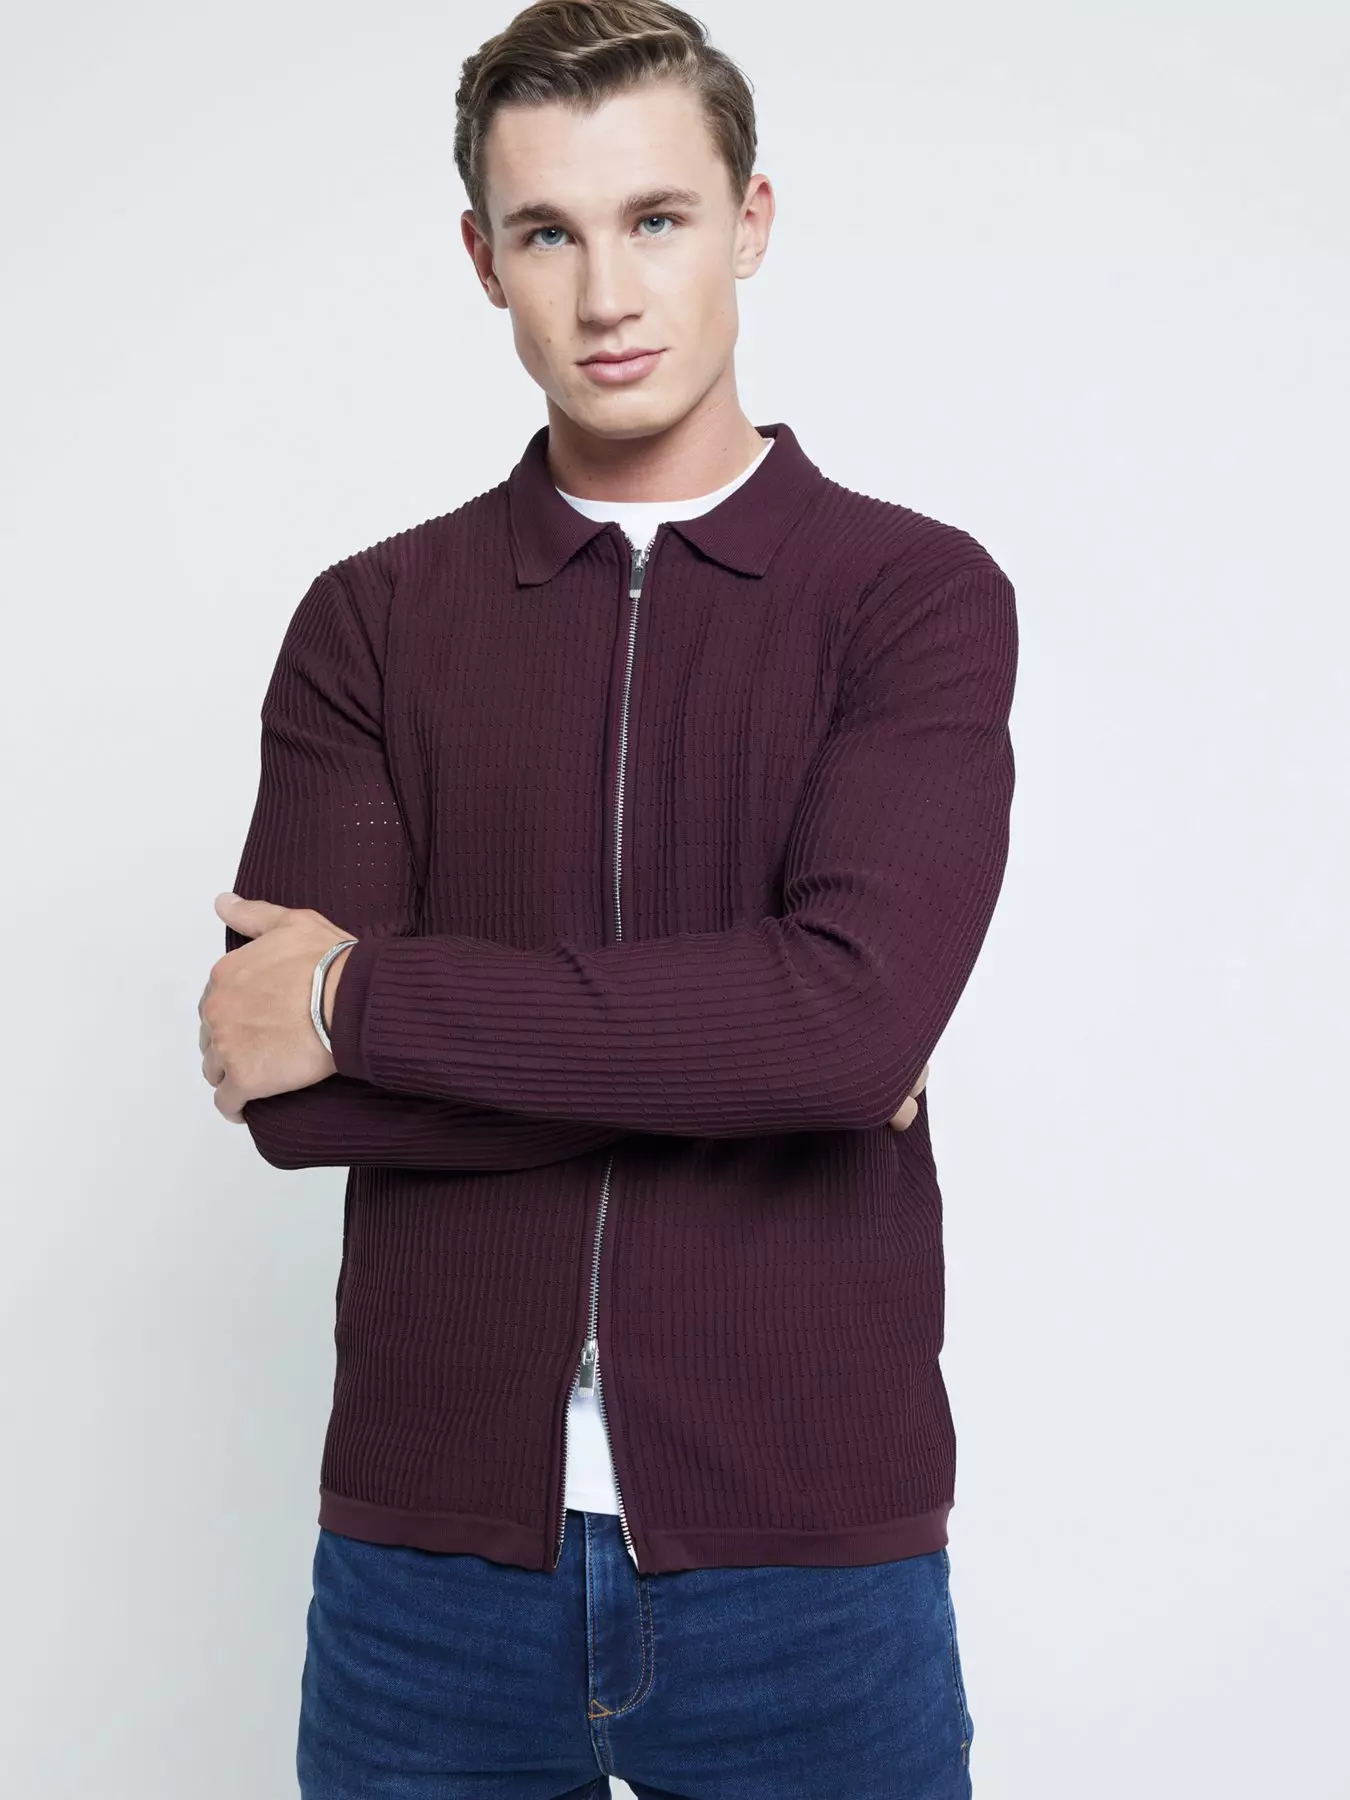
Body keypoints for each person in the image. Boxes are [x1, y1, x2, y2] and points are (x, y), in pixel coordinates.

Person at [198, 2, 1016, 1793]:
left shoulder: (909, 597)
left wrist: (359, 998)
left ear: (749, 221)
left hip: (809, 1562)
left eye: (655, 218)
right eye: (548, 233)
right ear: (481, 259)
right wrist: (769, 1053)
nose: (606, 293)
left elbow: (842, 1031)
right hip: (425, 1569)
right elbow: (289, 1101)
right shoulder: (370, 622)